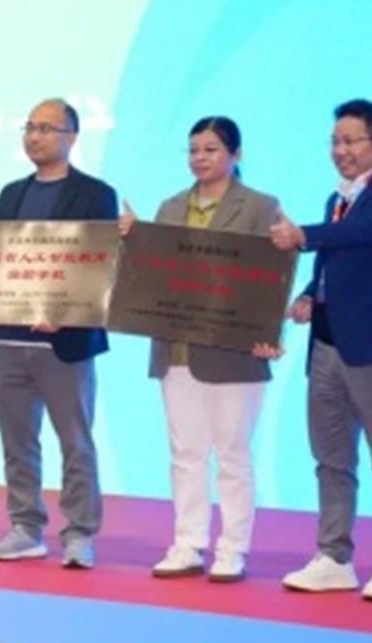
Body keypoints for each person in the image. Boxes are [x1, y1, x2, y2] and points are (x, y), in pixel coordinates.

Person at [0, 97, 117, 569]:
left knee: (75, 443)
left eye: (45, 128)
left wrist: (66, 310)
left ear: (71, 137)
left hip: (64, 342)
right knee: (18, 444)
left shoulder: (95, 194)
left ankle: (79, 533)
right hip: (9, 337)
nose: (34, 136)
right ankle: (25, 527)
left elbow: (100, 264)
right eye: (29, 127)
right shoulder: (12, 193)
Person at [270, 98, 372, 603]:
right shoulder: (336, 199)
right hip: (328, 345)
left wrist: (304, 237)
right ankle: (334, 557)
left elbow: (368, 232)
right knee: (332, 459)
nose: (341, 150)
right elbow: (336, 259)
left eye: (351, 141)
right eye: (335, 141)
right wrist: (308, 294)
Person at [119, 117, 283, 583]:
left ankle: (233, 547)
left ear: (235, 154)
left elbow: (273, 276)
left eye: (211, 149)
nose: (199, 158)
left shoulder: (261, 207)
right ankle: (188, 542)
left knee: (233, 453)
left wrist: (271, 334)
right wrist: (134, 240)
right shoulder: (170, 207)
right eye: (193, 150)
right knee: (185, 452)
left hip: (234, 349)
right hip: (177, 349)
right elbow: (152, 275)